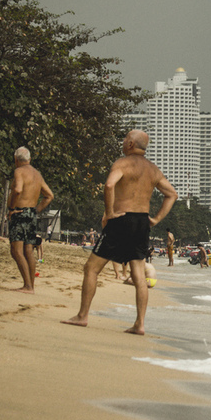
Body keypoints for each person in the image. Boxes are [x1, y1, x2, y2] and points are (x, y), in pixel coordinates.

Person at [62, 130, 177, 335]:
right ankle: (139, 324)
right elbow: (172, 194)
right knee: (139, 275)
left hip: (121, 218)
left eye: (125, 139)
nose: (123, 142)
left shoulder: (122, 163)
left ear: (131, 144)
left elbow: (109, 185)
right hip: (141, 221)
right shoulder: (153, 169)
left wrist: (109, 212)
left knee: (91, 269)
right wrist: (156, 219)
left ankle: (82, 316)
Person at [6, 147, 54, 294]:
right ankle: (31, 286)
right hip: (31, 214)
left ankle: (27, 285)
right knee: (28, 251)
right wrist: (36, 210)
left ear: (16, 159)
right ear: (29, 159)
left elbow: (18, 190)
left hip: (19, 213)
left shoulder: (19, 171)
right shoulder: (37, 175)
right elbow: (49, 196)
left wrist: (12, 208)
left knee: (16, 251)